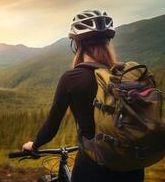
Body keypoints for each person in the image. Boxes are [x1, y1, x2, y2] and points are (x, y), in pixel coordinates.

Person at [21, 10, 144, 182]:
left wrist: (34, 145)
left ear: (76, 44)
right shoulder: (123, 75)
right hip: (133, 167)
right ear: (108, 42)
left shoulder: (72, 78)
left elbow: (51, 126)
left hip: (94, 166)